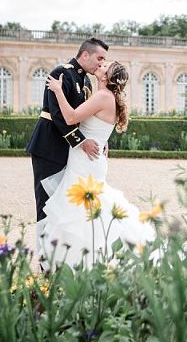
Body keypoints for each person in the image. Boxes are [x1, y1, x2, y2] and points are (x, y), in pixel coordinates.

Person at [40, 60, 155, 267]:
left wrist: (57, 91)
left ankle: (83, 260)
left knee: (81, 210)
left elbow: (71, 117)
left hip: (86, 160)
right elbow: (99, 127)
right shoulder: (106, 96)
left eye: (104, 66)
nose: (99, 65)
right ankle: (80, 259)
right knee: (84, 209)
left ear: (106, 77)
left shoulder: (102, 96)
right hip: (91, 158)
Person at [26, 38, 109, 259]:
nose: (101, 64)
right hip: (49, 147)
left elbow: (86, 116)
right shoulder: (62, 72)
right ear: (85, 55)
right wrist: (81, 141)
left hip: (69, 151)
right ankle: (45, 259)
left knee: (64, 203)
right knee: (46, 203)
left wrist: (99, 137)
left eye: (104, 60)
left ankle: (62, 255)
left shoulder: (86, 81)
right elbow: (58, 114)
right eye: (99, 58)